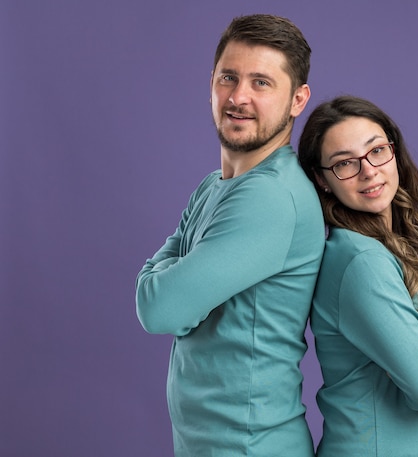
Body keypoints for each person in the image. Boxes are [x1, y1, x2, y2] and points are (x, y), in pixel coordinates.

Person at [135, 15, 325, 457]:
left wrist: (170, 284)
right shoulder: (213, 185)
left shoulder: (271, 196)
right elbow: (170, 294)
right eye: (229, 78)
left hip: (250, 447)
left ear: (298, 100)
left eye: (261, 82)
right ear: (211, 84)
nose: (238, 97)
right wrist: (176, 285)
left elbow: (158, 308)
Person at [298, 95, 418, 457]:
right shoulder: (360, 261)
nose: (369, 171)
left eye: (377, 151)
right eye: (345, 163)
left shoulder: (383, 248)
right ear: (323, 179)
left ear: (394, 151)